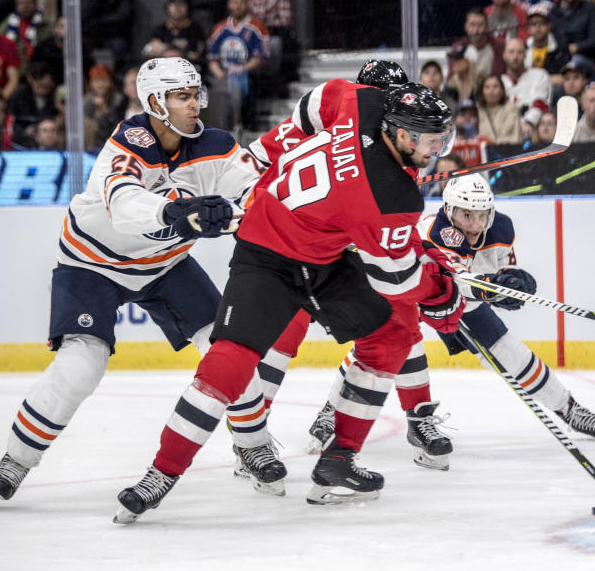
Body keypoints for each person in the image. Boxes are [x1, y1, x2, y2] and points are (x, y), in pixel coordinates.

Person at [113, 79, 463, 521]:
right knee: (230, 360)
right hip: (268, 258)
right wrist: (442, 293)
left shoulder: (361, 99)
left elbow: (314, 104)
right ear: (402, 134)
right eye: (433, 140)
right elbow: (397, 280)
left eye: (442, 138)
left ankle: (339, 462)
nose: (439, 148)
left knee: (392, 333)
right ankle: (161, 474)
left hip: (320, 255)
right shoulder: (392, 195)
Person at [0, 57, 276, 511]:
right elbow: (123, 203)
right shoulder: (128, 141)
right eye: (182, 96)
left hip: (164, 265)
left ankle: (253, 444)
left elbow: (256, 190)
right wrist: (178, 212)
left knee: (226, 349)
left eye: (195, 94)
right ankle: (16, 460)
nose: (195, 104)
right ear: (155, 102)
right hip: (90, 262)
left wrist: (243, 211)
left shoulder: (216, 145)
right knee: (81, 365)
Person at [306, 174, 595, 472]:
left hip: (461, 298)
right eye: (466, 215)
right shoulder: (434, 230)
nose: (475, 224)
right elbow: (454, 275)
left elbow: (493, 276)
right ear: (448, 209)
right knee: (379, 351)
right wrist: (490, 287)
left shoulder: (502, 229)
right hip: (413, 291)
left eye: (481, 215)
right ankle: (331, 413)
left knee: (510, 350)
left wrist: (509, 285)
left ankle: (570, 409)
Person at [206, 0, 268, 127]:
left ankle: (237, 124)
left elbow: (259, 58)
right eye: (234, 2)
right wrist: (220, 74)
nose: (238, 6)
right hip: (223, 75)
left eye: (241, 2)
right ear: (229, 4)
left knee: (236, 84)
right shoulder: (220, 28)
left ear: (247, 4)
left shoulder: (258, 27)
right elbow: (212, 59)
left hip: (248, 74)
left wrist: (240, 69)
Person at [500, 37, 552, 140]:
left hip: (533, 131)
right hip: (504, 132)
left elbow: (541, 104)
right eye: (511, 52)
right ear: (504, 55)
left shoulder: (540, 75)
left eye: (519, 52)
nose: (515, 56)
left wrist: (528, 122)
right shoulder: (498, 82)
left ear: (525, 55)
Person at [142, 0, 207, 73]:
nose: (177, 7)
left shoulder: (195, 29)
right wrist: (176, 46)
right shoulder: (160, 30)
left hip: (189, 71)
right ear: (167, 7)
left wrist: (165, 47)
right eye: (174, 4)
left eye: (181, 3)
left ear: (188, 7)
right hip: (163, 71)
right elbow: (148, 50)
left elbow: (197, 52)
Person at [524, 2, 570, 86]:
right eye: (533, 24)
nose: (537, 27)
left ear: (549, 26)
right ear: (528, 28)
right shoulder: (523, 48)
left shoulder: (560, 48)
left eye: (542, 23)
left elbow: (563, 78)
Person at [477, 73, 523, 144]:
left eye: (495, 87)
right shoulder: (477, 111)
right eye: (487, 87)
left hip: (506, 152)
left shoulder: (512, 109)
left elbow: (515, 138)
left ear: (502, 91)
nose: (491, 91)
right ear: (482, 91)